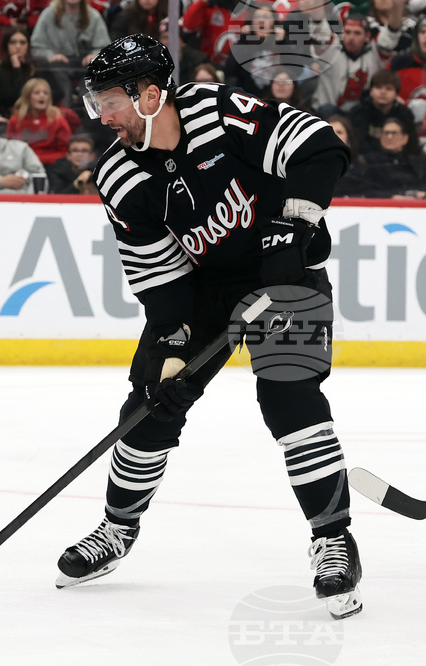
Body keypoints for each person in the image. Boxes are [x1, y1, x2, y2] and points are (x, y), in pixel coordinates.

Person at [59, 34, 363, 621]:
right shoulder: (118, 175)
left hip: (286, 268)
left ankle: (333, 539)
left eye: (110, 101)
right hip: (202, 290)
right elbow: (158, 277)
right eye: (98, 103)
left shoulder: (220, 113)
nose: (103, 116)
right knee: (149, 404)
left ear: (150, 95)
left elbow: (320, 147)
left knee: (290, 396)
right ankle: (117, 528)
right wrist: (172, 345)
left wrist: (296, 225)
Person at [308, 6, 404, 116]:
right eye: (347, 32)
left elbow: (391, 35)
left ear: (367, 36)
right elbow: (319, 30)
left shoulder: (376, 53)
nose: (351, 37)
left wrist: (397, 5)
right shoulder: (331, 49)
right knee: (327, 110)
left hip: (361, 116)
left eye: (357, 33)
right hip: (326, 115)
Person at [345, 117, 426, 198]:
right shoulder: (369, 161)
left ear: (405, 138)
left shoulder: (418, 163)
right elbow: (365, 190)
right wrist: (392, 196)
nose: (389, 137)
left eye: (394, 133)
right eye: (386, 133)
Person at [348, 68, 417, 153]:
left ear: (396, 94)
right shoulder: (358, 112)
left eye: (389, 89)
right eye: (378, 87)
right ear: (371, 91)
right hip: (366, 157)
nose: (383, 92)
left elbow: (412, 145)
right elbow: (356, 144)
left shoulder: (405, 114)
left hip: (398, 157)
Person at [7, 77, 73, 166]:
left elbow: (65, 149)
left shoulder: (58, 119)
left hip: (52, 165)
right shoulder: (16, 119)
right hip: (22, 164)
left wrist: (40, 159)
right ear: (27, 97)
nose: (42, 96)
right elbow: (10, 147)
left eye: (46, 93)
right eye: (37, 93)